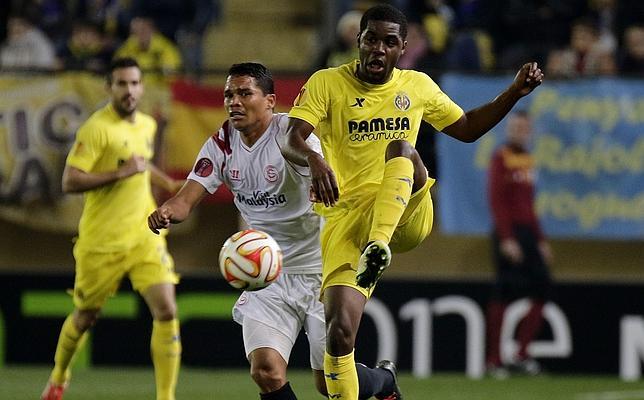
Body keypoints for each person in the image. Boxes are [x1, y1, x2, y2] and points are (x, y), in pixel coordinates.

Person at [279, 4, 544, 400]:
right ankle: (384, 384)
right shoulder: (327, 83)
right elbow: (292, 138)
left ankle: (378, 246)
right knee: (338, 337)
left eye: (389, 42)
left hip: (405, 211)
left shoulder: (416, 86)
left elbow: (468, 128)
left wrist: (512, 93)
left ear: (402, 48)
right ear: (359, 40)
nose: (378, 49)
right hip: (346, 219)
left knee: (401, 147)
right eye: (371, 39)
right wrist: (315, 160)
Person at [147, 62, 399, 400]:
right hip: (268, 275)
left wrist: (318, 177)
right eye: (228, 95)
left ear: (270, 100)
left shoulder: (294, 135)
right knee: (265, 370)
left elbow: (323, 174)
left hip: (320, 271)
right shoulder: (222, 143)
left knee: (329, 384)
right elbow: (186, 200)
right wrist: (165, 211)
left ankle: (384, 381)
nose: (234, 101)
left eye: (244, 93)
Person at [41, 57, 183, 400]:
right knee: (85, 316)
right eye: (121, 83)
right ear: (109, 88)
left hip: (144, 236)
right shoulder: (95, 129)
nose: (129, 90)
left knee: (166, 308)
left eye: (134, 83)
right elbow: (70, 180)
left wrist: (166, 181)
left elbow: (140, 162)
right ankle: (59, 376)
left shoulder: (147, 125)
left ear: (142, 87)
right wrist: (120, 174)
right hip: (102, 242)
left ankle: (166, 396)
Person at [485, 111, 553, 378]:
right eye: (514, 127)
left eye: (523, 128)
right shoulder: (500, 158)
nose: (518, 132)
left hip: (528, 233)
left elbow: (530, 206)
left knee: (543, 287)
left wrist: (541, 240)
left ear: (530, 132)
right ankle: (494, 360)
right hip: (509, 233)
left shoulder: (527, 160)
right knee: (503, 291)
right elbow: (497, 201)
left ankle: (522, 354)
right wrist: (506, 238)